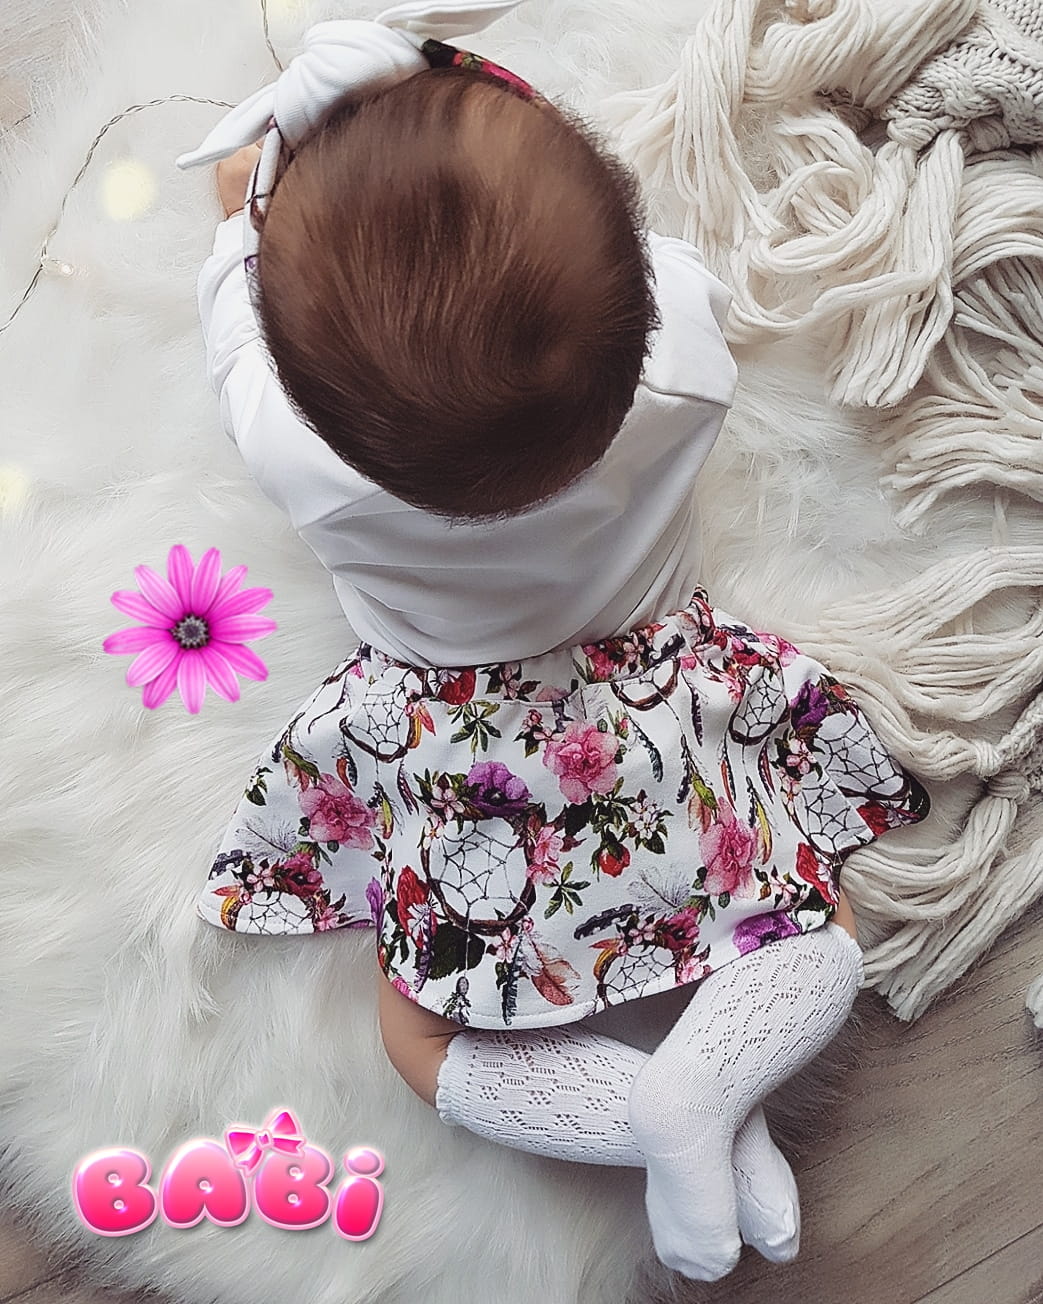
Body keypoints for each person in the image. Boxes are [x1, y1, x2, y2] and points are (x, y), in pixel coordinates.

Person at [183, 8, 930, 1282]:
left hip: (449, 750)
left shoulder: (301, 457)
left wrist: (243, 212)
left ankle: (651, 1118)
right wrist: (464, 94)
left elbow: (230, 296)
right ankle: (705, 1091)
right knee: (817, 918)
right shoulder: (679, 366)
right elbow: (614, 232)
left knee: (417, 1036)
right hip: (658, 713)